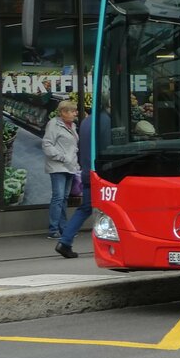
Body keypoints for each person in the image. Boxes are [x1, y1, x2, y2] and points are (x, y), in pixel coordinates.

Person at [56, 94, 110, 259]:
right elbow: (108, 148)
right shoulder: (106, 121)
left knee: (85, 208)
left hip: (88, 172)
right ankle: (113, 244)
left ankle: (65, 241)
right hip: (102, 174)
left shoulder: (87, 121)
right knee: (112, 209)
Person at [42, 99, 79, 241]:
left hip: (70, 167)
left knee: (64, 198)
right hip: (58, 166)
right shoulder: (54, 124)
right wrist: (62, 157)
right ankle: (53, 229)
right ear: (63, 112)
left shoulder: (72, 126)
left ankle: (63, 228)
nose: (75, 113)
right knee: (58, 198)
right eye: (72, 111)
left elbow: (72, 147)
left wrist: (74, 163)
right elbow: (47, 144)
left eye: (75, 110)